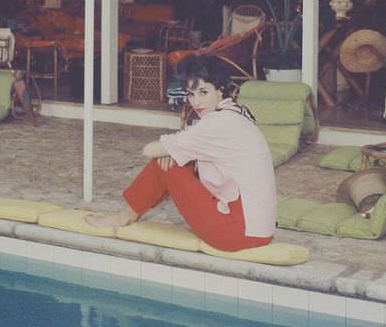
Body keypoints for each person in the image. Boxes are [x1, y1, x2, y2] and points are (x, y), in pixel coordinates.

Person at [86, 55, 277, 252]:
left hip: (238, 234)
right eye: (191, 94)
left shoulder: (218, 123)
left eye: (203, 92)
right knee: (176, 158)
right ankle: (127, 215)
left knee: (164, 166)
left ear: (220, 91)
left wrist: (170, 150)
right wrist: (174, 150)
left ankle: (122, 218)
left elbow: (148, 150)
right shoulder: (236, 112)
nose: (196, 102)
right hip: (259, 231)